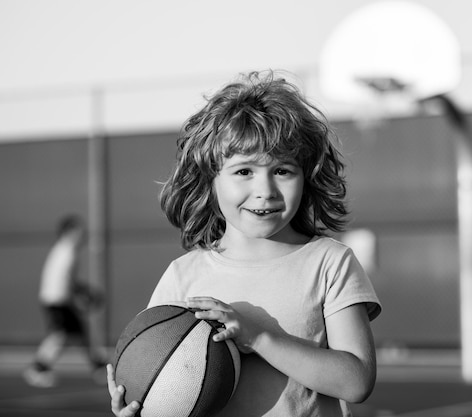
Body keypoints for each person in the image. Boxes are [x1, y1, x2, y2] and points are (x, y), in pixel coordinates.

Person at [107, 70, 381, 417]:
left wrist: (259, 338)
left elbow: (356, 382)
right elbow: (159, 376)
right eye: (243, 171)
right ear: (211, 179)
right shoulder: (183, 276)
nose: (265, 190)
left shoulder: (330, 263)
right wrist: (139, 403)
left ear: (306, 176)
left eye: (283, 170)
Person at [23, 215, 107, 387]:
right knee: (59, 336)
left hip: (58, 299)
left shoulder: (64, 250)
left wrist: (81, 292)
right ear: (68, 232)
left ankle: (99, 368)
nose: (83, 234)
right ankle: (37, 369)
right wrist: (81, 296)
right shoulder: (67, 251)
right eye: (78, 230)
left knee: (80, 334)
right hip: (57, 300)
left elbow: (68, 280)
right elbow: (64, 280)